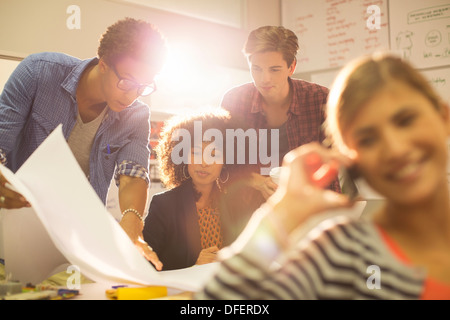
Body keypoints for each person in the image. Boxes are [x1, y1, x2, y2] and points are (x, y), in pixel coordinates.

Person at [195, 53, 450, 299]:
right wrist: (281, 213)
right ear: (350, 159)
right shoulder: (341, 252)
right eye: (368, 139)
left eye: (406, 121)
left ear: (444, 117)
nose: (395, 149)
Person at [0, 17, 167, 269]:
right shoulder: (38, 73)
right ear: (103, 64)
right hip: (14, 226)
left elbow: (132, 174)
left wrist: (132, 221)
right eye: (127, 83)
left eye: (142, 87)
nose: (132, 96)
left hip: (76, 240)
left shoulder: (136, 116)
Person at [220, 25, 341, 200]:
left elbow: (337, 158)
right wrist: (256, 181)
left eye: (274, 69)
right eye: (257, 69)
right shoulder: (234, 101)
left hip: (313, 204)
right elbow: (222, 162)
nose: (264, 79)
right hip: (250, 208)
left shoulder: (321, 99)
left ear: (291, 67)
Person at [142, 108, 262, 271]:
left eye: (213, 154)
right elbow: (145, 266)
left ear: (225, 160)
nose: (204, 162)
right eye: (196, 152)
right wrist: (194, 268)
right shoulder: (164, 205)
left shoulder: (237, 204)